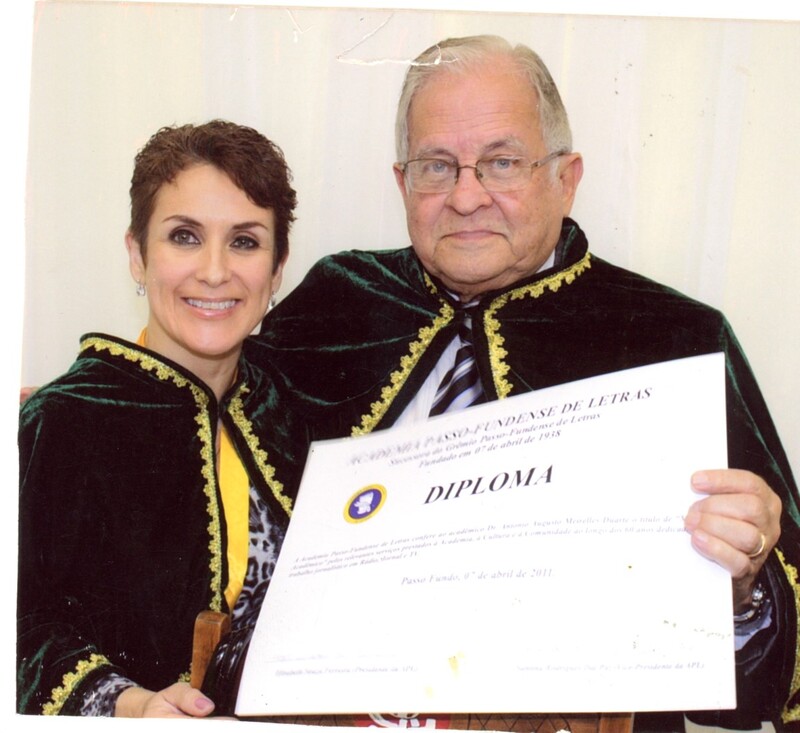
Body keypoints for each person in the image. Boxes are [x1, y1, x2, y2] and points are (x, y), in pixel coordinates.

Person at [249, 36, 800, 730]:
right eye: (436, 166)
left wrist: (743, 586)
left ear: (566, 179)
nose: (465, 196)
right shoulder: (336, 302)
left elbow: (771, 677)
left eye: (502, 162)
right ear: (402, 182)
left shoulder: (675, 338)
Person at [17, 120, 307, 717]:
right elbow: (19, 626)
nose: (215, 271)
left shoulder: (299, 409)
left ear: (277, 267)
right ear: (137, 254)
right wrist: (131, 706)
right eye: (184, 236)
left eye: (245, 242)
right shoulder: (63, 421)